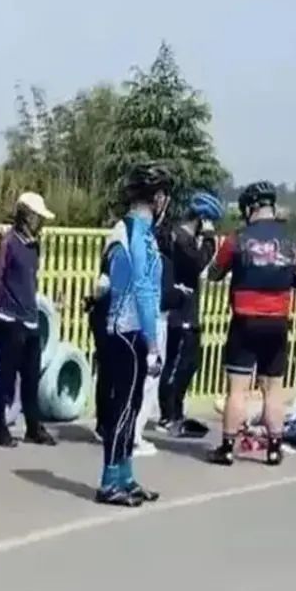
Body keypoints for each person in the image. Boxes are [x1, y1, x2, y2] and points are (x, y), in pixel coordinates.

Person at [206, 180, 296, 466]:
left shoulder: (237, 239)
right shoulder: (294, 241)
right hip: (278, 321)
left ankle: (227, 448)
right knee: (273, 389)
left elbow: (214, 273)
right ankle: (274, 448)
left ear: (250, 208)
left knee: (237, 389)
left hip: (245, 319)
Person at [91, 164, 171, 507]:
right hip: (125, 330)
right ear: (158, 198)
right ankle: (109, 481)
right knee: (123, 408)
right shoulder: (135, 231)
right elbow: (143, 288)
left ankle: (125, 475)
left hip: (129, 328)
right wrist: (152, 341)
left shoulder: (138, 231)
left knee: (133, 405)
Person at [0, 191, 57, 448]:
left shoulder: (34, 246)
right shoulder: (6, 243)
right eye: (39, 218)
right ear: (27, 216)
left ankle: (33, 428)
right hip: (9, 318)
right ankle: (0, 428)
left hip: (30, 317)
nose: (42, 223)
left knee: (31, 377)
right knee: (6, 377)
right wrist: (1, 308)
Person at [156, 190, 223, 438]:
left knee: (190, 364)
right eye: (209, 222)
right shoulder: (181, 239)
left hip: (188, 312)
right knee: (176, 366)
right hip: (180, 314)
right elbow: (199, 263)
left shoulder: (183, 238)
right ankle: (168, 415)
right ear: (202, 219)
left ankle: (176, 410)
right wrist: (210, 239)